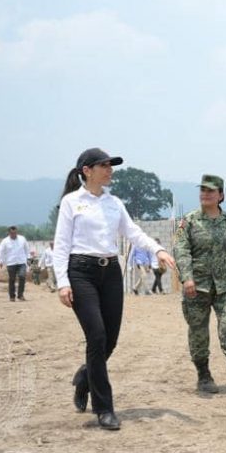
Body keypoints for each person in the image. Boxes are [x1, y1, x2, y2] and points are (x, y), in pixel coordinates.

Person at [53, 147, 175, 431]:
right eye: (104, 165)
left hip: (110, 274)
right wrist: (62, 282)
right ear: (87, 170)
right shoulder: (72, 203)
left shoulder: (114, 203)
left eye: (111, 165)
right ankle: (104, 409)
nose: (110, 170)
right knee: (96, 336)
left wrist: (157, 250)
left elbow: (133, 232)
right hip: (81, 272)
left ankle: (84, 379)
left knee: (110, 340)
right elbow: (61, 245)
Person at [174, 174, 226, 398]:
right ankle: (203, 375)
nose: (205, 194)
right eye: (202, 190)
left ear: (221, 195)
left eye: (211, 191)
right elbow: (181, 250)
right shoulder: (189, 221)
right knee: (199, 333)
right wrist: (187, 277)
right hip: (196, 287)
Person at [0, 225, 31, 302]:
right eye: (12, 233)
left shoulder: (22, 239)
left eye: (15, 233)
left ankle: (20, 295)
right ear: (9, 233)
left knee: (22, 276)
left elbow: (27, 249)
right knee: (12, 279)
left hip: (21, 262)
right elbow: (0, 251)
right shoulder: (5, 241)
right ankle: (12, 296)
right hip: (11, 262)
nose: (14, 234)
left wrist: (28, 258)